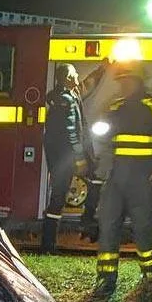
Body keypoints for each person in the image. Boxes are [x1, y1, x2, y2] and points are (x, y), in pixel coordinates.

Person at [91, 61, 152, 297]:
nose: (123, 85)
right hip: (117, 178)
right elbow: (104, 134)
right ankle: (106, 279)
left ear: (138, 81)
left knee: (143, 228)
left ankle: (148, 273)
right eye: (121, 81)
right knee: (108, 226)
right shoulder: (116, 106)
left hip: (142, 178)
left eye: (127, 81)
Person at [41, 63, 96, 253]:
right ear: (67, 78)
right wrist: (80, 158)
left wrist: (103, 68)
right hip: (64, 156)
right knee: (58, 197)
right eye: (75, 73)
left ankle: (51, 242)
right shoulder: (67, 100)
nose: (78, 75)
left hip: (58, 156)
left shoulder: (65, 95)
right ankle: (48, 245)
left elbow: (87, 85)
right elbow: (72, 131)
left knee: (63, 193)